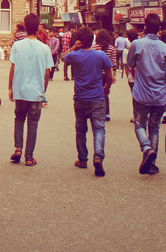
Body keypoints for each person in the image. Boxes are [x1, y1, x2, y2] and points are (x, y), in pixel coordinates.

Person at [126, 14, 166, 176]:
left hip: (141, 94)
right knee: (154, 128)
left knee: (140, 125)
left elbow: (130, 63)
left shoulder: (137, 44)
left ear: (145, 27)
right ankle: (152, 164)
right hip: (160, 96)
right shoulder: (165, 48)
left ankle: (146, 148)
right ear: (159, 29)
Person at [63, 25, 112, 176]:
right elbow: (109, 76)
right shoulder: (101, 55)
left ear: (80, 41)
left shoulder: (75, 55)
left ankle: (82, 159)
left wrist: (73, 47)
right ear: (93, 40)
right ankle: (98, 156)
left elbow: (62, 57)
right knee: (98, 128)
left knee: (81, 129)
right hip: (97, 97)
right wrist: (106, 88)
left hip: (80, 98)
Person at [8, 14, 53, 167]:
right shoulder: (45, 48)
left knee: (19, 119)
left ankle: (18, 147)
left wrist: (10, 88)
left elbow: (13, 67)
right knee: (33, 123)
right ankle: (29, 156)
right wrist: (43, 90)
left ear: (25, 28)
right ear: (38, 28)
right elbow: (47, 72)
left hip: (20, 90)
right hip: (36, 92)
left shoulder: (17, 45)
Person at [91, 30, 117, 121]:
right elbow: (114, 63)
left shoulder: (94, 48)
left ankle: (97, 112)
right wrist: (114, 75)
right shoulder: (112, 48)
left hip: (96, 74)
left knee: (96, 93)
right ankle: (106, 113)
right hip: (107, 74)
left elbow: (92, 62)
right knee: (106, 93)